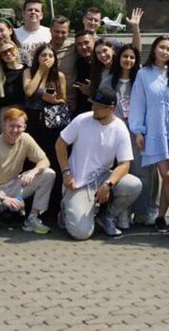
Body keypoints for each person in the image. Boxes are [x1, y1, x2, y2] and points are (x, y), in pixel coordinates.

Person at [56, 88, 143, 240]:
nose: (93, 109)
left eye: (98, 106)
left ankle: (107, 217)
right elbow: (60, 144)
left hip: (103, 177)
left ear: (111, 108)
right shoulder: (82, 120)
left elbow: (124, 164)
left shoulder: (120, 128)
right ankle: (66, 209)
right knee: (81, 233)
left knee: (134, 184)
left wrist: (108, 184)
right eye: (93, 104)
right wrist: (66, 172)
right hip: (79, 181)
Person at [129, 35, 169, 231]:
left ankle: (161, 217)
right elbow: (138, 103)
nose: (165, 52)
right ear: (154, 49)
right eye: (161, 47)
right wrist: (139, 131)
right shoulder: (143, 74)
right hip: (155, 131)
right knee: (167, 177)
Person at [0, 107, 56, 237]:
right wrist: (3, 198)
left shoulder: (25, 139)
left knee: (49, 174)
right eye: (11, 126)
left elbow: (44, 160)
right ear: (4, 125)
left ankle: (33, 218)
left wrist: (32, 172)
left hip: (14, 185)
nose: (15, 130)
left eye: (19, 126)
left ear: (25, 127)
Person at [99, 43, 147, 228]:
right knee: (120, 172)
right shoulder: (108, 80)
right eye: (125, 56)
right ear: (118, 59)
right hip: (115, 133)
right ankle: (121, 211)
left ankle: (141, 213)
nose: (128, 60)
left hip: (137, 133)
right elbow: (100, 107)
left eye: (132, 57)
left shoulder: (140, 79)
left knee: (141, 173)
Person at [23, 42, 69, 222]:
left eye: (50, 56)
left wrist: (54, 99)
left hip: (52, 126)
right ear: (37, 58)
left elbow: (63, 100)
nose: (47, 59)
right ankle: (29, 210)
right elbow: (28, 91)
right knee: (32, 164)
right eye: (44, 56)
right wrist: (41, 72)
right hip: (33, 123)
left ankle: (52, 210)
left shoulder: (59, 76)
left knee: (53, 166)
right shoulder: (29, 72)